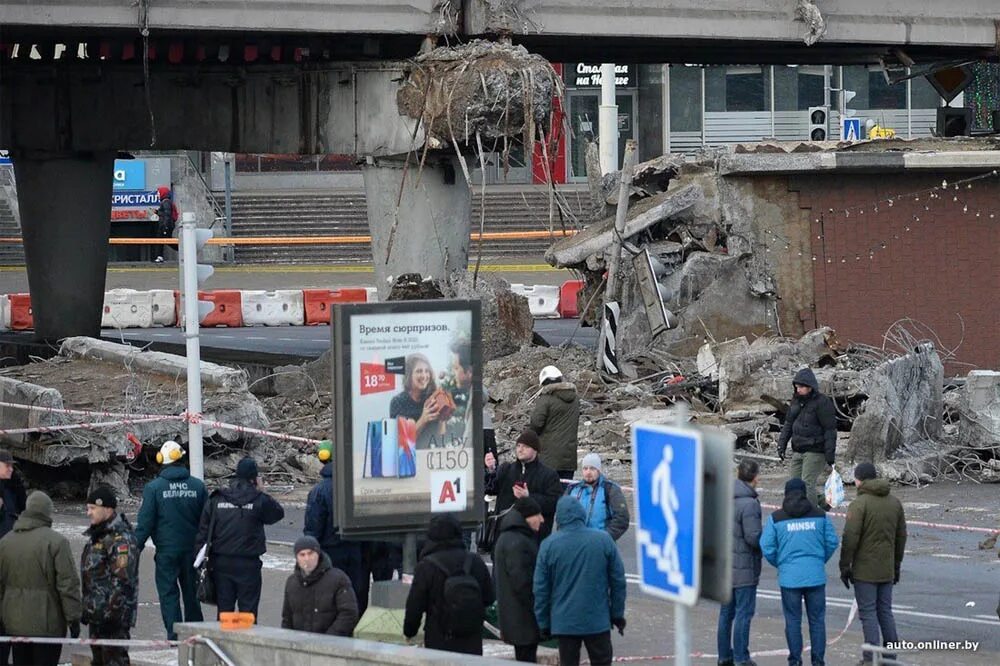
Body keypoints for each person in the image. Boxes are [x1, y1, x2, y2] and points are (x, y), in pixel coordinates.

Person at [533, 496, 626, 666]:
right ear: (581, 514)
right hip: (597, 620)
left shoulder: (548, 545)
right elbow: (618, 581)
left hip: (564, 622)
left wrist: (543, 623)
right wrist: (617, 615)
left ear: (558, 517)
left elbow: (541, 589)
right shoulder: (603, 540)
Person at [760, 478, 839, 666]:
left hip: (790, 579)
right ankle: (818, 661)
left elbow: (766, 546)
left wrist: (781, 563)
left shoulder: (777, 518)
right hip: (815, 576)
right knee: (817, 621)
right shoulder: (820, 515)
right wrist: (819, 560)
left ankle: (795, 660)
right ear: (804, 492)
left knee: (793, 621)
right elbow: (832, 542)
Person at [134, 441, 207, 640]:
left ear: (161, 461)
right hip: (193, 554)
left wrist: (133, 549)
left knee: (169, 597)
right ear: (181, 459)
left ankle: (174, 638)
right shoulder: (198, 487)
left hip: (166, 553)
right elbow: (207, 522)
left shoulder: (154, 488)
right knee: (192, 596)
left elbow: (145, 523)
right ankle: (195, 636)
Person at [195, 457, 284, 619]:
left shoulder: (217, 498)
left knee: (224, 611)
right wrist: (262, 491)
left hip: (221, 563)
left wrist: (201, 562)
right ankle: (245, 641)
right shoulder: (259, 499)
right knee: (248, 612)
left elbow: (203, 532)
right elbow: (277, 514)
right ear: (255, 478)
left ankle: (222, 643)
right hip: (248, 564)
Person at [0, 491, 81, 666]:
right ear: (47, 512)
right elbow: (68, 585)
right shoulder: (57, 542)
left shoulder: (6, 542)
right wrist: (73, 618)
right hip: (48, 625)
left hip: (15, 624)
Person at [839, 462, 907, 664]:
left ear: (859, 480)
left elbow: (850, 537)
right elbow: (901, 537)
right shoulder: (894, 502)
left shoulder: (860, 504)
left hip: (864, 571)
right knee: (885, 612)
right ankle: (890, 657)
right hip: (886, 568)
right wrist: (896, 565)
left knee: (868, 614)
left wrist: (845, 566)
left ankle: (870, 658)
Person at [403, 514, 494, 655]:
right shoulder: (474, 561)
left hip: (439, 638)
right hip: (471, 638)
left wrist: (409, 631)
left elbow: (415, 604)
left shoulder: (426, 566)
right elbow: (489, 597)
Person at [81, 486, 139, 666]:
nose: (88, 513)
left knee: (114, 662)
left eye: (93, 508)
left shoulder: (120, 539)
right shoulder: (98, 535)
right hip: (97, 614)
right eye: (88, 508)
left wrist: (111, 616)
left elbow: (123, 581)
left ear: (107, 509)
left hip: (113, 618)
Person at [304, 460, 368, 616]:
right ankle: (353, 622)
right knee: (354, 590)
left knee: (331, 590)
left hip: (329, 550)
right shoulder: (356, 488)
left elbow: (313, 526)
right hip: (354, 548)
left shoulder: (318, 491)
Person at [718, 460, 763, 666]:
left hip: (724, 566)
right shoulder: (750, 504)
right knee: (744, 614)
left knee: (726, 614)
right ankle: (741, 658)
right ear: (754, 477)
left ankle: (724, 656)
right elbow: (753, 538)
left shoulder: (724, 499)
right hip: (744, 567)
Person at [484, 430, 563, 540]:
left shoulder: (549, 475)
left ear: (535, 450)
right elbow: (490, 490)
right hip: (504, 537)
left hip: (532, 538)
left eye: (525, 446)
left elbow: (554, 503)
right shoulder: (507, 469)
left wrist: (529, 497)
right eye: (518, 446)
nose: (520, 450)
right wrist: (491, 470)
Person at [776, 368, 838, 509]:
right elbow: (788, 424)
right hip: (798, 449)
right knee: (794, 485)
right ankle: (824, 502)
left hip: (815, 450)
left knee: (807, 483)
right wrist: (782, 444)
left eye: (801, 387)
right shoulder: (796, 401)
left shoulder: (823, 402)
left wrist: (830, 455)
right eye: (797, 387)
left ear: (810, 387)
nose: (798, 390)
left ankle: (810, 516)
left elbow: (830, 429)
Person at [493, 497, 545, 663]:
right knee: (526, 658)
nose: (542, 519)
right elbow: (523, 582)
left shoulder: (511, 536)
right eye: (538, 514)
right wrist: (539, 608)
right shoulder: (518, 542)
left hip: (516, 617)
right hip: (523, 618)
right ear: (527, 517)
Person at [281, 536, 359, 637]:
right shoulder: (292, 582)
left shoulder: (338, 579)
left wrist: (327, 639)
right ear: (297, 558)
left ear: (318, 554)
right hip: (300, 644)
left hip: (332, 644)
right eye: (302, 555)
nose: (307, 559)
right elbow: (287, 619)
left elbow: (349, 614)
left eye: (310, 553)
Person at [563, 453, 630, 542]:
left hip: (600, 546)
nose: (588, 472)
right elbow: (562, 516)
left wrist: (604, 538)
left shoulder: (610, 490)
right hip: (575, 544)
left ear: (599, 470)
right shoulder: (572, 489)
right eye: (585, 468)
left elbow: (622, 518)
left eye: (592, 468)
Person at [529, 365, 581, 480]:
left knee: (548, 494)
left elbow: (536, 424)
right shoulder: (575, 399)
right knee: (565, 492)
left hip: (548, 459)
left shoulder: (545, 399)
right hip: (569, 458)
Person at [0, 449, 26, 666]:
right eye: (6, 465)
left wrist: (15, 480)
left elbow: (23, 507)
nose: (11, 468)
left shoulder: (11, 488)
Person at [389, 353, 445, 445]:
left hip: (431, 455)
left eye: (427, 371)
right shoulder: (397, 402)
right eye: (419, 371)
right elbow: (402, 442)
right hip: (410, 457)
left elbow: (440, 438)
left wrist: (442, 419)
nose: (424, 375)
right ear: (409, 375)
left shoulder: (433, 397)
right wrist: (423, 419)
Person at [152, 186, 176, 263]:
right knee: (160, 240)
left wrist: (165, 226)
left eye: (158, 193)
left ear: (163, 193)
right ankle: (159, 256)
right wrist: (157, 212)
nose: (157, 195)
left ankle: (183, 249)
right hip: (164, 224)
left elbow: (167, 214)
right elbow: (164, 213)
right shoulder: (166, 202)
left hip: (165, 225)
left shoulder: (165, 202)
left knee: (167, 240)